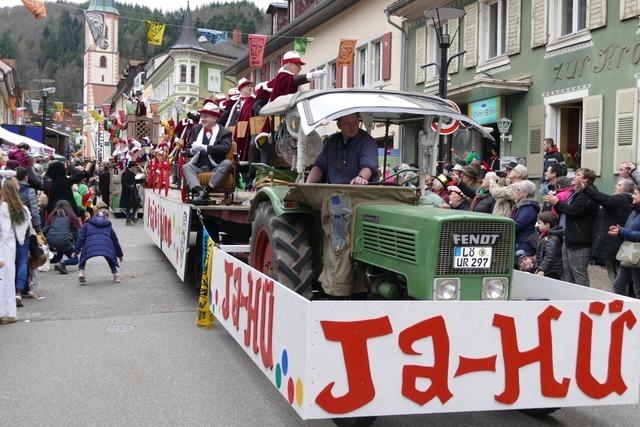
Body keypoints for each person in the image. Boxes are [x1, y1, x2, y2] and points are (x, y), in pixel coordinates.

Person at [544, 168, 599, 287]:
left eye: (577, 175)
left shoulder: (588, 194)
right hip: (570, 237)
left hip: (580, 240)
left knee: (579, 274)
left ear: (585, 179)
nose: (573, 177)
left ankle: (583, 300)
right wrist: (555, 203)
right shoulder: (577, 192)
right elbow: (566, 212)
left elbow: (574, 211)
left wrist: (557, 202)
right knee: (567, 273)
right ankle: (569, 299)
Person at [579, 177, 634, 283]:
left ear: (626, 189)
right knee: (617, 275)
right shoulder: (625, 200)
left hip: (613, 243)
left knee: (616, 277)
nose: (615, 186)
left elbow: (602, 198)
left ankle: (619, 298)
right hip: (615, 242)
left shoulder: (620, 199)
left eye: (619, 185)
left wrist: (585, 188)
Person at [182, 101, 233, 203]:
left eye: (206, 116)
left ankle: (206, 192)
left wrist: (205, 147)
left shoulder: (224, 132)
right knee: (186, 167)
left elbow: (225, 148)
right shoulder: (196, 129)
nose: (202, 119)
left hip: (215, 167)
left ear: (214, 118)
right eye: (202, 116)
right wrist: (192, 150)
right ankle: (200, 194)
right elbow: (187, 149)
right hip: (199, 167)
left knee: (227, 163)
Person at [306, 113, 378, 185]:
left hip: (360, 192)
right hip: (334, 192)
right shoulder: (332, 141)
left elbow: (368, 166)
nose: (352, 126)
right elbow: (320, 166)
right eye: (347, 123)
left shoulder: (367, 141)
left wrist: (361, 178)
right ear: (339, 125)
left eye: (355, 122)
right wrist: (307, 184)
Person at [0, 173, 31, 321]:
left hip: (3, 247)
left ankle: (3, 312)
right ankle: (9, 312)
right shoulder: (21, 209)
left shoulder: (2, 209)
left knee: (2, 280)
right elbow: (26, 227)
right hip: (11, 248)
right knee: (8, 279)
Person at [73, 201, 124, 284]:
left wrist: (76, 251)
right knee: (109, 255)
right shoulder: (108, 225)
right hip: (106, 245)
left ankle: (81, 271)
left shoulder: (88, 224)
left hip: (90, 245)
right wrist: (120, 255)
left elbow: (80, 239)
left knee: (84, 254)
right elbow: (115, 241)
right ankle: (116, 274)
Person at [608, 185, 640, 298]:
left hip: (637, 257)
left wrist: (622, 231)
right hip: (629, 255)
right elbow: (629, 230)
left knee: (637, 288)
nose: (633, 196)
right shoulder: (634, 211)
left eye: (636, 193)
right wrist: (619, 230)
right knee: (618, 286)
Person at [45, 199, 82, 274]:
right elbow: (76, 234)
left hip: (51, 240)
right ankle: (62, 263)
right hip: (63, 241)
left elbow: (45, 229)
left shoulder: (52, 216)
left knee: (60, 248)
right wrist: (76, 248)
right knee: (75, 260)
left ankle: (58, 261)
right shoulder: (71, 217)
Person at [511, 180, 540, 255]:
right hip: (519, 241)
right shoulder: (522, 205)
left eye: (518, 190)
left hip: (524, 243)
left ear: (526, 193)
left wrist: (506, 226)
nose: (516, 192)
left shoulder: (528, 207)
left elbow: (519, 224)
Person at [535, 211, 564, 279]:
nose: (538, 225)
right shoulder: (546, 236)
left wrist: (542, 269)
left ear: (547, 225)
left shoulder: (552, 238)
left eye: (540, 223)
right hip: (548, 269)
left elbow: (549, 256)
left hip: (552, 272)